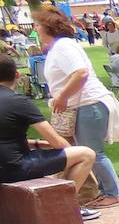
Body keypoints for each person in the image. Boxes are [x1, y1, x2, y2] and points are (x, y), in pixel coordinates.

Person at [33, 5, 119, 207]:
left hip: (89, 104)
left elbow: (80, 73)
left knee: (93, 152)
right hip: (81, 106)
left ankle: (114, 193)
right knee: (79, 151)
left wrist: (62, 97)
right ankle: (97, 191)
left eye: (38, 25)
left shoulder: (64, 46)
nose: (36, 29)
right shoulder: (58, 47)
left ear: (48, 27)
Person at [0, 56, 97, 210]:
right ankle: (64, 206)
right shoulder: (19, 102)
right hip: (15, 168)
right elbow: (57, 142)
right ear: (17, 75)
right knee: (86, 154)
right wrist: (68, 152)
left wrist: (36, 143)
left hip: (7, 165)